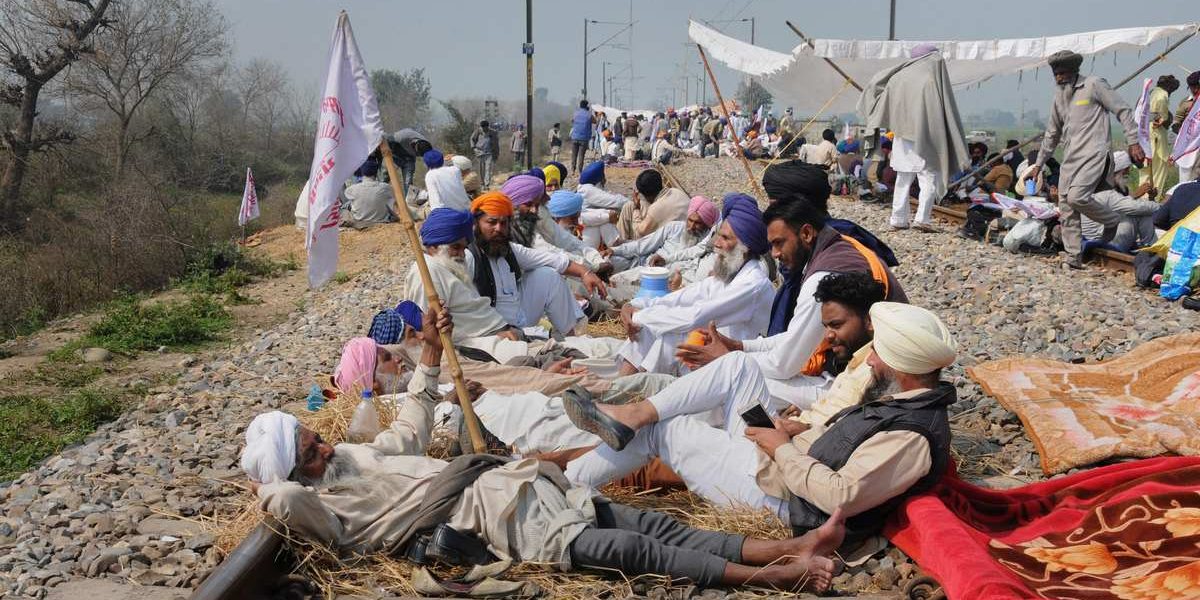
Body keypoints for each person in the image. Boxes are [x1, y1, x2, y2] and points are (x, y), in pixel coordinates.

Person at [242, 306, 846, 592]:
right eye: (309, 449)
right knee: (634, 550)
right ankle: (776, 577)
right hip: (488, 519)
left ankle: (787, 545)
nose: (323, 445)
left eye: (315, 434)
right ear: (291, 471)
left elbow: (411, 428)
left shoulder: (356, 454)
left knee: (653, 526)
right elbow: (287, 497)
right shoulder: (326, 506)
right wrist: (267, 481)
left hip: (514, 481)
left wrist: (428, 357)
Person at [563, 302, 956, 562]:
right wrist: (802, 428)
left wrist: (783, 448)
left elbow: (842, 496)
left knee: (666, 430)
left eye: (878, 353)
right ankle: (636, 412)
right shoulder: (905, 400)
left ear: (902, 365)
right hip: (779, 460)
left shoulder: (913, 436)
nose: (869, 359)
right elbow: (852, 443)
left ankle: (565, 491)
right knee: (739, 367)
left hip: (777, 496)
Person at [616, 194, 773, 376]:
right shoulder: (733, 271)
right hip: (709, 349)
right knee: (656, 330)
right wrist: (638, 305)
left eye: (725, 238)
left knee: (666, 334)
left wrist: (640, 318)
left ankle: (627, 388)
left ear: (744, 247)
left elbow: (695, 315)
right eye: (718, 236)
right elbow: (687, 295)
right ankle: (621, 386)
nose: (716, 243)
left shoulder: (752, 283)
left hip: (731, 363)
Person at [1028, 50, 1144, 269]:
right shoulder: (1059, 97)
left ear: (1074, 71)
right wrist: (1039, 164)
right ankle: (1073, 257)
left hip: (1095, 154)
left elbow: (1123, 110)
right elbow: (1052, 134)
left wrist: (1133, 140)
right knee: (1066, 206)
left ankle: (1111, 220)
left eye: (1063, 73)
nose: (1059, 78)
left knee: (1077, 197)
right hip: (1070, 158)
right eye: (1056, 74)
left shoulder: (1094, 85)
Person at [859, 43, 968, 233]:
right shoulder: (931, 78)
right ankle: (922, 219)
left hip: (901, 137)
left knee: (903, 178)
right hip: (925, 136)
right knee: (928, 177)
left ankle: (898, 219)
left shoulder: (898, 78)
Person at [467, 193, 607, 337]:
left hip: (521, 317)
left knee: (547, 275)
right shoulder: (469, 257)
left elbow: (551, 259)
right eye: (491, 222)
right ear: (476, 224)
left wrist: (585, 272)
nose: (498, 228)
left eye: (503, 223)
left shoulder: (508, 249)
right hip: (495, 331)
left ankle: (572, 335)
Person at [402, 208, 515, 342]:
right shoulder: (426, 273)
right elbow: (430, 334)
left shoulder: (448, 266)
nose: (462, 255)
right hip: (477, 345)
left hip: (499, 333)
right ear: (434, 246)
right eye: (456, 248)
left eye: (464, 248)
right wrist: (493, 339)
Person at [501, 174, 606, 268]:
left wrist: (596, 259)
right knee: (549, 273)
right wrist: (592, 268)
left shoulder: (538, 213)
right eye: (528, 205)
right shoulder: (510, 225)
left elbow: (567, 240)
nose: (549, 198)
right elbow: (547, 252)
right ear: (513, 204)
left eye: (537, 205)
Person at [1078, 151, 1159, 252]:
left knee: (1142, 211)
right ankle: (1153, 249)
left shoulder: (1116, 188)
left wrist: (1151, 198)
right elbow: (1135, 207)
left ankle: (1151, 247)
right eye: (1126, 170)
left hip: (1103, 234)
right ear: (1117, 172)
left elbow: (1129, 204)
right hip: (1101, 240)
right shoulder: (1106, 192)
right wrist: (1164, 207)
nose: (1128, 173)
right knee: (1142, 213)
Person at [608, 195, 717, 270]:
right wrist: (614, 250)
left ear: (707, 224)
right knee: (606, 261)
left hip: (669, 275)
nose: (692, 226)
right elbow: (643, 245)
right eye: (690, 220)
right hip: (643, 263)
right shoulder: (675, 227)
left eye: (698, 223)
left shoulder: (708, 241)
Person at [616, 170, 691, 241]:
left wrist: (636, 209)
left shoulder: (656, 208)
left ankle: (621, 244)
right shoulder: (676, 191)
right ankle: (621, 242)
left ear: (647, 196)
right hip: (681, 231)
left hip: (669, 242)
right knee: (629, 206)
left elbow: (639, 234)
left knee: (630, 209)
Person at [545, 189, 620, 252]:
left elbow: (590, 216)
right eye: (573, 218)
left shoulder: (569, 224)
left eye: (577, 217)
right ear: (555, 219)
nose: (576, 222)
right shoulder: (548, 238)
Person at [339, 160, 396, 226]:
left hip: (359, 220)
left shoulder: (352, 189)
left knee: (346, 205)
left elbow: (345, 196)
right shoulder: (386, 187)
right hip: (381, 220)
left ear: (362, 173)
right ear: (376, 172)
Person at [1148, 75, 1179, 195]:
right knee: (1161, 166)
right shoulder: (1162, 95)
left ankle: (1145, 196)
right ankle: (1155, 197)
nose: (1171, 92)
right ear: (1168, 86)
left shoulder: (1151, 93)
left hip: (1146, 133)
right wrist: (1167, 119)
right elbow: (1163, 119)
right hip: (1157, 134)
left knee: (1148, 168)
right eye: (1172, 89)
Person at [388, 128, 433, 199]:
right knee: (385, 176)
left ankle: (409, 203)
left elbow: (431, 162)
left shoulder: (427, 147)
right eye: (417, 153)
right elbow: (386, 139)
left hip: (409, 160)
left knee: (408, 182)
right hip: (395, 156)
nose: (417, 155)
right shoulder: (402, 137)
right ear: (414, 144)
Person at [1173, 71, 1200, 183]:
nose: (1194, 90)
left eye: (1196, 87)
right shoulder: (1185, 103)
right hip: (1188, 147)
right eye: (1191, 87)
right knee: (1186, 179)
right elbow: (1176, 123)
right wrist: (1186, 134)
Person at [470, 120, 498, 189]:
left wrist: (496, 153)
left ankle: (487, 184)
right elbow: (472, 139)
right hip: (480, 152)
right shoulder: (478, 131)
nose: (483, 129)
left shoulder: (493, 132)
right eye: (482, 127)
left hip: (489, 153)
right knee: (481, 169)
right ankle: (482, 183)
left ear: (487, 127)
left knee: (488, 169)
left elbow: (496, 144)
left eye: (484, 127)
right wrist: (474, 148)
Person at [570, 100, 595, 175]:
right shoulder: (589, 114)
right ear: (587, 106)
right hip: (584, 138)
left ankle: (573, 170)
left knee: (574, 154)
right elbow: (595, 121)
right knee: (581, 155)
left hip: (574, 137)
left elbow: (572, 121)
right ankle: (580, 171)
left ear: (580, 105)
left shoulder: (575, 113)